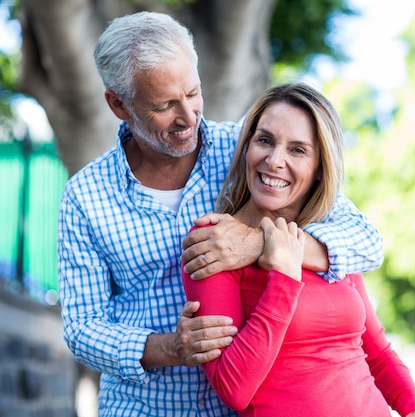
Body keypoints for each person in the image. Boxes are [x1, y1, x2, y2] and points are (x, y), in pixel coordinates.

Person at [57, 12, 383, 417]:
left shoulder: (249, 152)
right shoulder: (85, 197)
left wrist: (260, 244)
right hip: (144, 408)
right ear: (119, 104)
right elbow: (83, 326)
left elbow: (366, 242)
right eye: (165, 105)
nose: (188, 117)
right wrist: (167, 347)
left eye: (193, 93)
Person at [182, 83, 415, 417]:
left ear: (318, 170)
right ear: (246, 147)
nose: (274, 161)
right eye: (265, 140)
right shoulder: (216, 242)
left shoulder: (328, 239)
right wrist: (283, 275)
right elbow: (234, 388)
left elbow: (377, 351)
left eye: (297, 150)